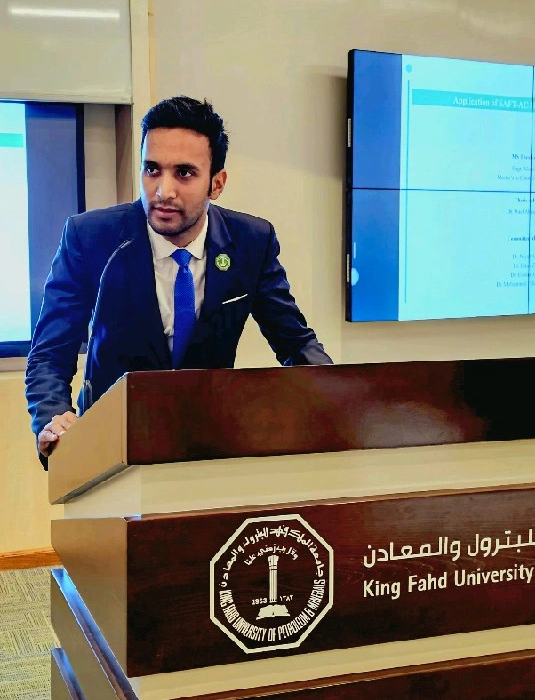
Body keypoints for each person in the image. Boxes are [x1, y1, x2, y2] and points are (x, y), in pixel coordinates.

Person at [26, 95, 331, 465]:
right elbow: (50, 354)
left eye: (184, 173)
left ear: (216, 184)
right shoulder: (91, 237)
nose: (163, 191)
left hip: (207, 446)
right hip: (112, 446)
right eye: (152, 169)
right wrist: (54, 420)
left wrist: (341, 400)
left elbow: (296, 343)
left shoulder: (252, 241)